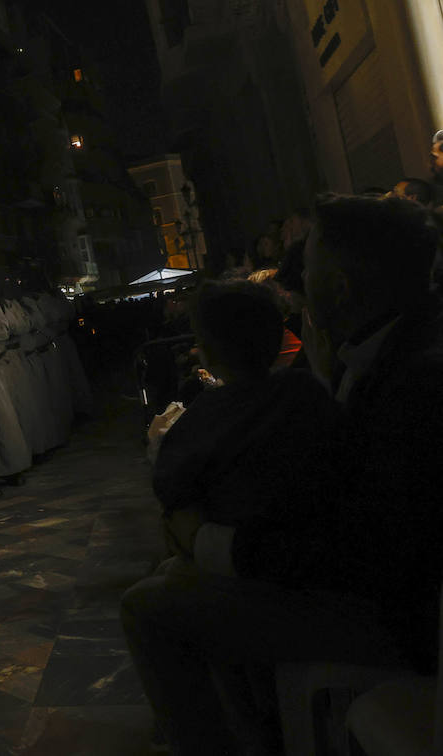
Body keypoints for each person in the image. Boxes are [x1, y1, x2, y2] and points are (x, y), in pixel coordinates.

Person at [123, 195, 443, 755]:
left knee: (149, 609)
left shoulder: (418, 381)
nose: (294, 280)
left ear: (340, 286)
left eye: (308, 263)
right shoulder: (381, 348)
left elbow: (367, 549)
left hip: (396, 618)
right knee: (175, 577)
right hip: (365, 582)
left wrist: (210, 541)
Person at [150, 281, 336, 535]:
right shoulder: (303, 389)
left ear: (207, 353)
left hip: (236, 540)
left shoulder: (206, 414)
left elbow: (169, 485)